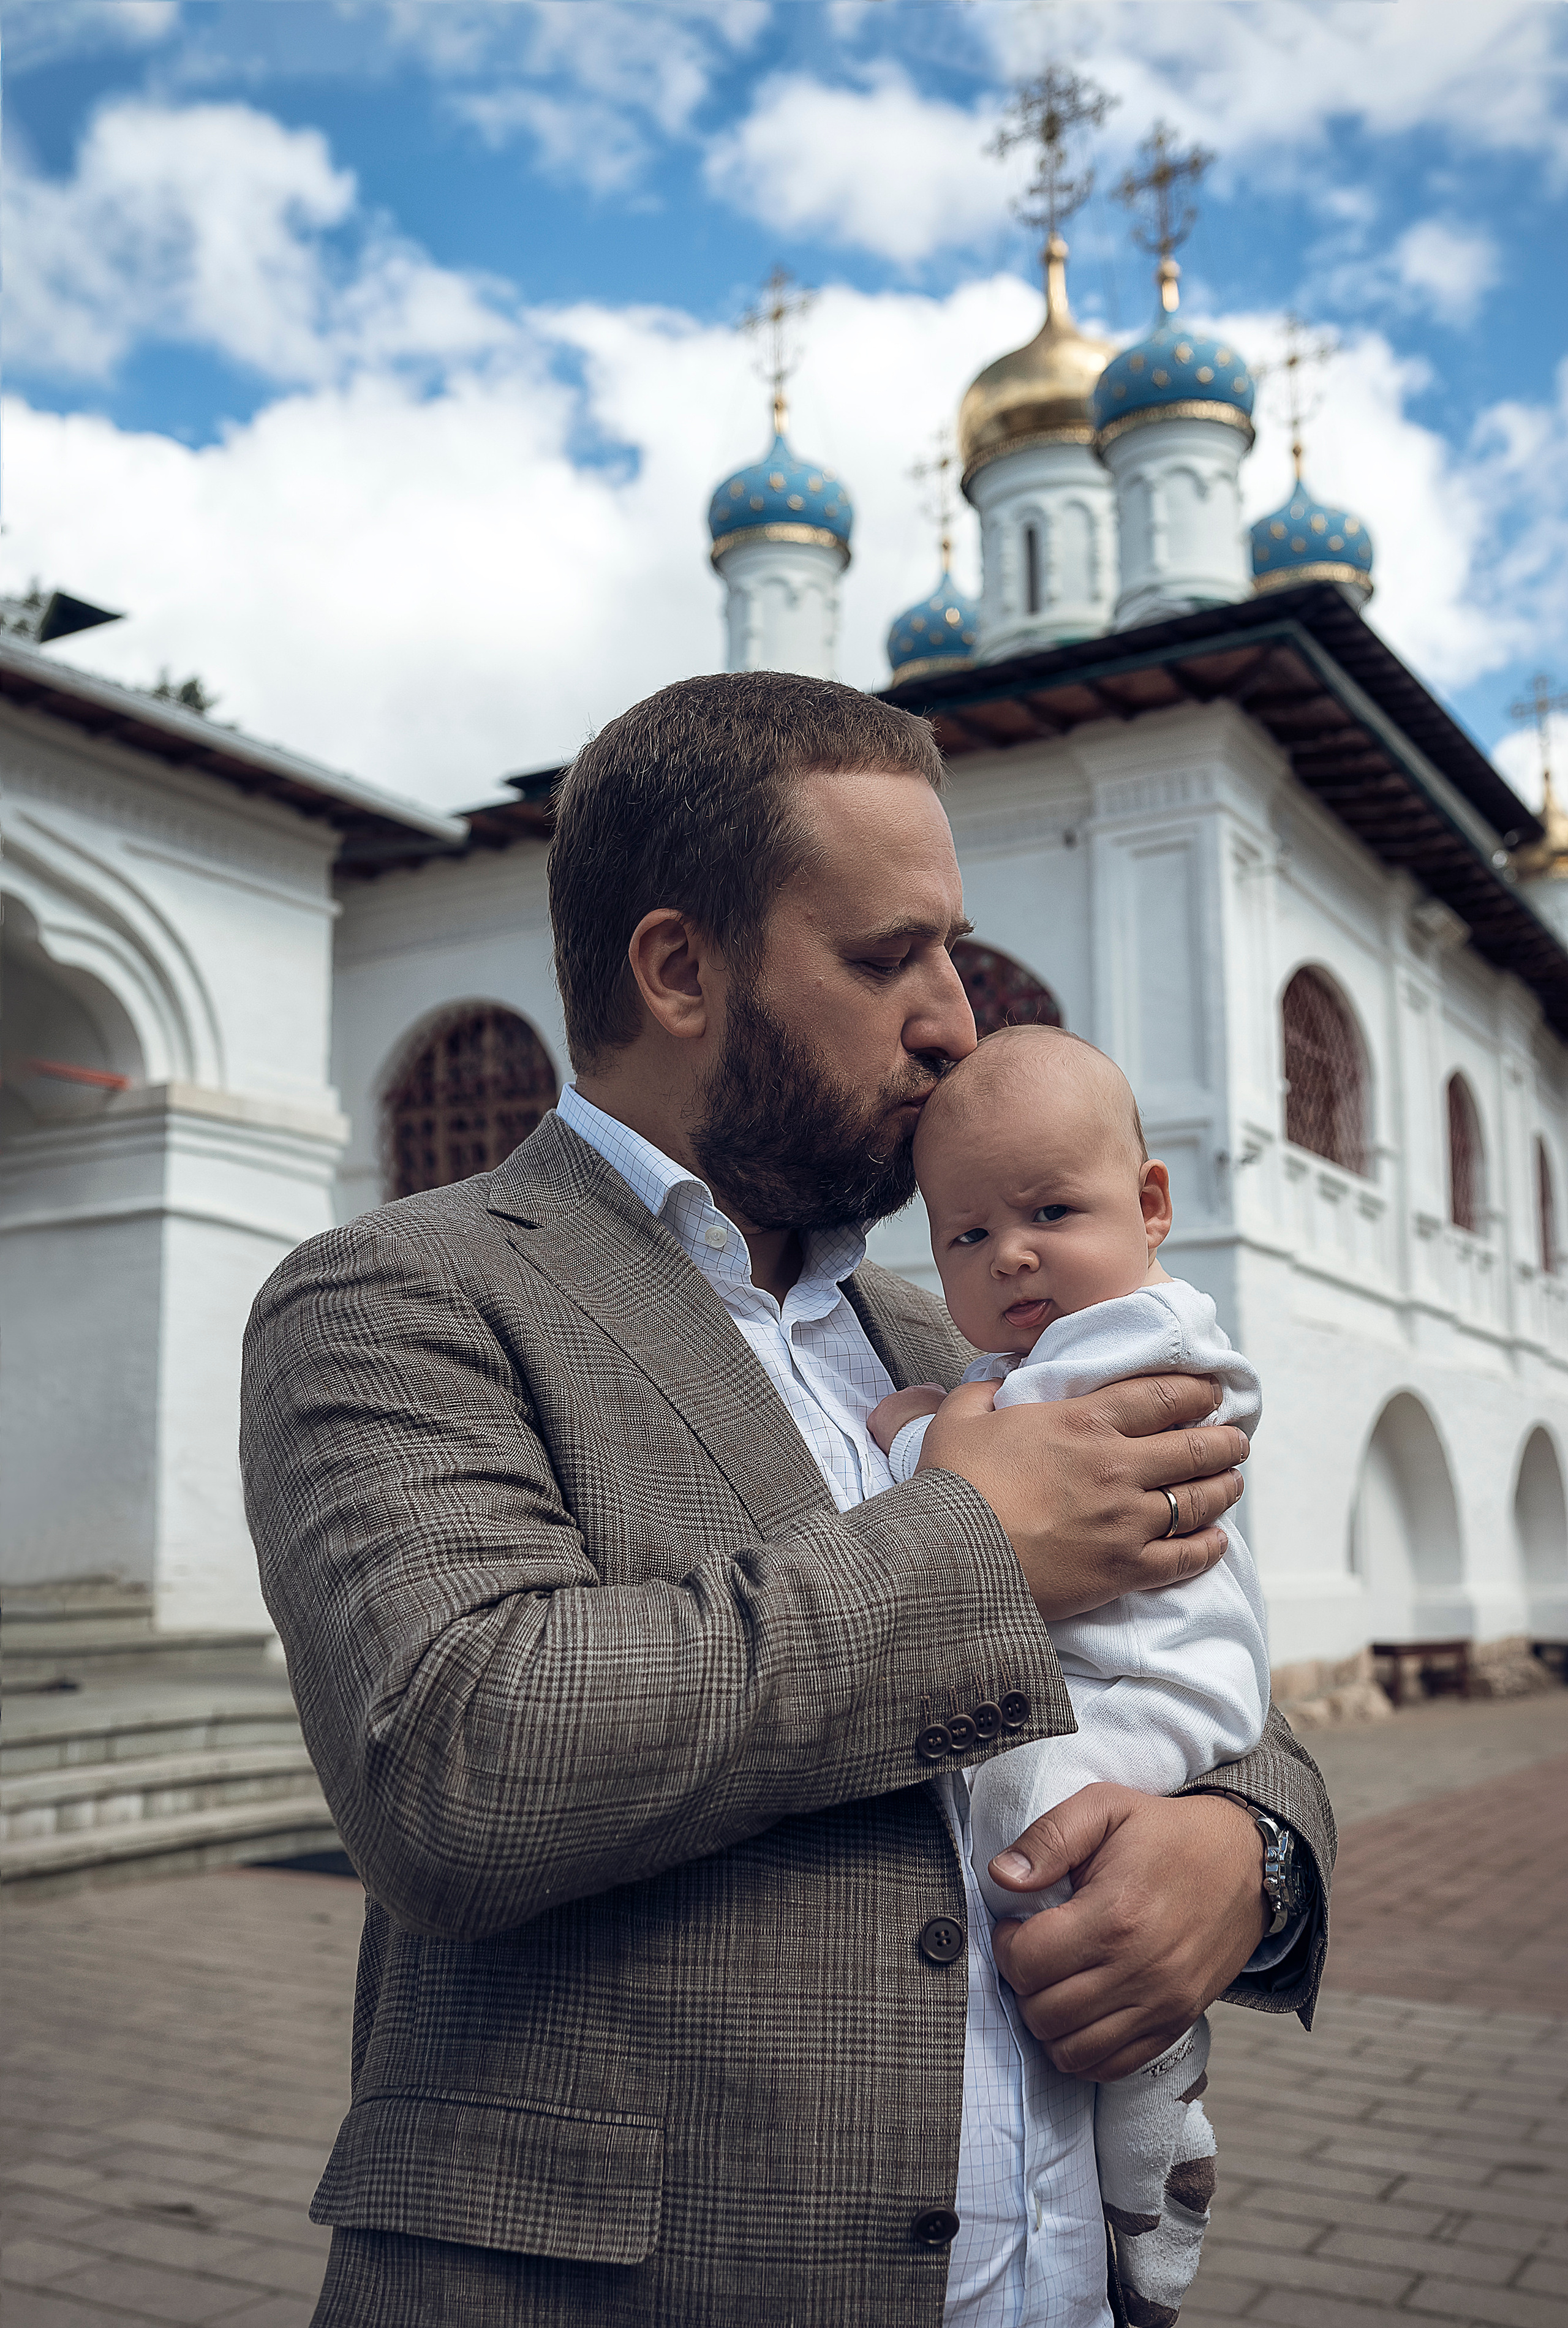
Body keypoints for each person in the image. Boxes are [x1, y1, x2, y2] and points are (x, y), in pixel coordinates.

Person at [241, 671, 1333, 2328]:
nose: (957, 1018)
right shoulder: (401, 1294)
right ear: (681, 968)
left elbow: (1207, 1638)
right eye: (889, 956)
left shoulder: (956, 1326)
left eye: (951, 953)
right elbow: (457, 1760)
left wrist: (1239, 1852)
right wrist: (973, 1545)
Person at [869, 1024, 1273, 2327]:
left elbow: (1005, 1465)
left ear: (1149, 1207)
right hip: (1121, 1682)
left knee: (1021, 1841)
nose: (1011, 1255)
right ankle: (1143, 2146)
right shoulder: (1022, 1358)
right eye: (965, 1237)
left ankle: (1153, 2121)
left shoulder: (1140, 1334)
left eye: (1050, 1211)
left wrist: (931, 1432)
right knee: (1060, 1891)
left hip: (1147, 1688)